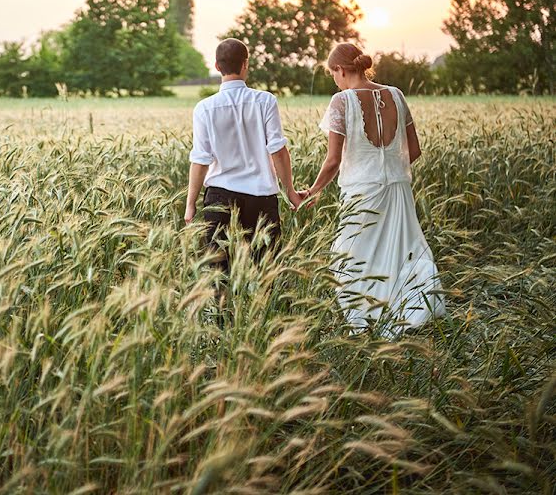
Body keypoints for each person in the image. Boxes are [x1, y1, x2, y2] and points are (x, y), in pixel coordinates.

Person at [299, 43, 446, 336]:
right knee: (401, 250)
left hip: (361, 191)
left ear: (341, 70)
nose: (335, 81)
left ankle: (366, 321)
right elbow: (413, 150)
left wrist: (313, 191)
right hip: (398, 189)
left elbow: (333, 160)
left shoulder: (342, 101)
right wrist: (389, 166)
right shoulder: (396, 95)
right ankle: (406, 315)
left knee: (352, 255)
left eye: (333, 75)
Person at [185, 38, 301, 319]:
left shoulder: (204, 108)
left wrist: (191, 204)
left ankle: (223, 330)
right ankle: (267, 326)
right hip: (261, 198)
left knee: (218, 271)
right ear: (246, 64)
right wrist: (290, 191)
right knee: (267, 269)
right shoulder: (265, 101)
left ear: (216, 66)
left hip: (219, 199)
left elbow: (200, 160)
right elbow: (278, 150)